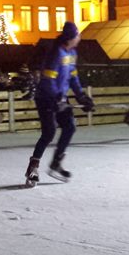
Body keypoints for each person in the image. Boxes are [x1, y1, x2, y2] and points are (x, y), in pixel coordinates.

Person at [24, 21, 94, 187]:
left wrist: (82, 97)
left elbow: (73, 77)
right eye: (78, 35)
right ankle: (32, 168)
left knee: (70, 126)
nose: (80, 38)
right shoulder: (56, 53)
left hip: (60, 98)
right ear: (70, 38)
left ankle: (56, 162)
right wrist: (56, 99)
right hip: (46, 97)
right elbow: (48, 79)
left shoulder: (72, 54)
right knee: (49, 132)